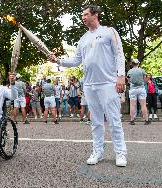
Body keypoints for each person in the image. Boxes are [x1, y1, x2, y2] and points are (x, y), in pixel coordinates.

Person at [48, 5, 127, 166]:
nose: (83, 17)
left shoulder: (109, 31)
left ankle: (120, 153)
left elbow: (120, 53)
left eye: (85, 14)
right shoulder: (83, 39)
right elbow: (76, 60)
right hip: (90, 85)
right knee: (96, 121)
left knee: (114, 120)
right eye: (82, 15)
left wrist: (121, 76)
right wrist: (58, 61)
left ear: (95, 15)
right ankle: (98, 152)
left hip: (108, 83)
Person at [127, 59, 150, 125]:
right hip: (141, 88)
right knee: (143, 105)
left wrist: (131, 83)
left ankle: (132, 120)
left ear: (132, 64)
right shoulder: (142, 70)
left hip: (133, 89)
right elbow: (146, 78)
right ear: (138, 64)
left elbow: (128, 80)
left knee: (132, 105)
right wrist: (144, 82)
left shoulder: (129, 71)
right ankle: (146, 120)